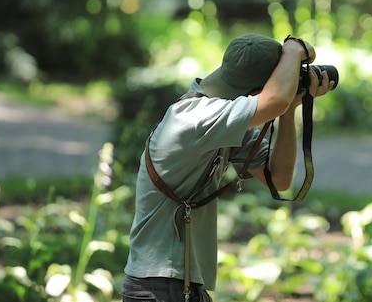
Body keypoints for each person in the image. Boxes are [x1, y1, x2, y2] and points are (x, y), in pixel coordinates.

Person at [121, 33, 335, 302]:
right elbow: (273, 101)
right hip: (162, 285)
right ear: (260, 89)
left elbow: (279, 179)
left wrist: (289, 109)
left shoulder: (220, 124)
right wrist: (293, 51)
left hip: (179, 283)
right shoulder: (195, 117)